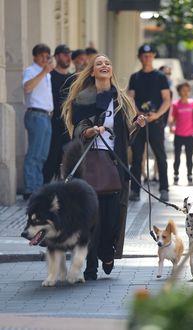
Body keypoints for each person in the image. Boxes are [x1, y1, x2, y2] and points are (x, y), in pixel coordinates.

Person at [62, 54, 145, 280]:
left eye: (108, 63)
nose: (104, 65)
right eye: (99, 63)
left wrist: (136, 125)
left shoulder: (120, 99)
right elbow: (78, 129)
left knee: (111, 218)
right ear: (92, 71)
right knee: (90, 218)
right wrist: (90, 131)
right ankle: (90, 266)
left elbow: (125, 136)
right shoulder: (83, 98)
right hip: (89, 164)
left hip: (114, 164)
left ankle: (107, 252)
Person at [128, 44, 171, 202]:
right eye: (144, 55)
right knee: (137, 157)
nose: (147, 58)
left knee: (160, 156)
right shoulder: (135, 77)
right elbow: (130, 97)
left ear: (153, 56)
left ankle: (164, 188)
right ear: (140, 57)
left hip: (155, 122)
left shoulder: (160, 77)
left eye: (150, 55)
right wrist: (137, 113)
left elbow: (167, 100)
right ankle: (135, 190)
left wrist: (157, 115)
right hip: (139, 122)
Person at [22, 43, 54, 200]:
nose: (44, 59)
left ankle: (37, 188)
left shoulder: (47, 74)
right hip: (36, 115)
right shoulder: (31, 71)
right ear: (35, 57)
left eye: (47, 56)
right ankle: (30, 188)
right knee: (34, 153)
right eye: (41, 56)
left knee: (42, 155)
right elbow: (27, 88)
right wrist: (43, 72)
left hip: (46, 116)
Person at [43, 44, 73, 183]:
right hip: (53, 122)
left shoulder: (73, 78)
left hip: (69, 124)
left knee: (68, 158)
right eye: (64, 54)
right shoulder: (49, 76)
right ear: (56, 56)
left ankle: (65, 190)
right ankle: (46, 189)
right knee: (51, 158)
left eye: (69, 54)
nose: (68, 57)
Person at [168, 81, 193, 186]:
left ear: (189, 91)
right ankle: (176, 175)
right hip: (178, 135)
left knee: (190, 158)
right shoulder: (176, 104)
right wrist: (170, 126)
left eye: (187, 90)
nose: (185, 92)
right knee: (177, 157)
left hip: (189, 135)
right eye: (183, 90)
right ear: (179, 92)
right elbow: (173, 117)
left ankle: (190, 176)